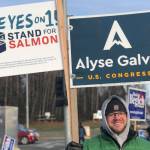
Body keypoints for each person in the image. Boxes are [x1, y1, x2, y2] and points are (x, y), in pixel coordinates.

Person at [83, 95, 150, 150]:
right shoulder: (89, 146)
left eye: (120, 113)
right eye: (111, 114)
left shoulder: (146, 146)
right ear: (105, 118)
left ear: (127, 117)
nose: (117, 118)